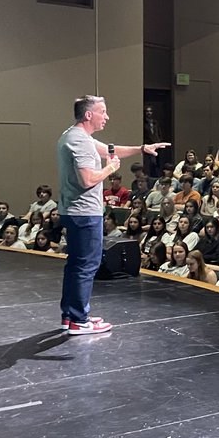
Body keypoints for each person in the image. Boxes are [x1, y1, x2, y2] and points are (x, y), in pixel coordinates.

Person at [56, 94, 169, 334]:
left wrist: (141, 149)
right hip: (84, 212)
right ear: (89, 115)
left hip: (74, 210)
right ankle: (79, 319)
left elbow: (109, 149)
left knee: (76, 263)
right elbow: (87, 179)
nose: (107, 116)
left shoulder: (73, 136)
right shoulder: (82, 142)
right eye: (103, 111)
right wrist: (111, 168)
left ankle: (71, 314)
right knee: (87, 264)